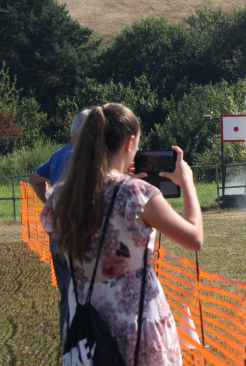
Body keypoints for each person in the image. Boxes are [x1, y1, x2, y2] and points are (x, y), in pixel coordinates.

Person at [40, 103, 203, 365]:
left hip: (84, 330)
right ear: (129, 143)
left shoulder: (59, 196)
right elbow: (194, 238)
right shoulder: (135, 194)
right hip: (135, 326)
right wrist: (187, 183)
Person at [28, 108, 90, 343]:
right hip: (83, 241)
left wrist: (49, 203)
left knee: (66, 298)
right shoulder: (89, 158)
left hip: (58, 241)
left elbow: (35, 179)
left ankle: (68, 348)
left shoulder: (57, 155)